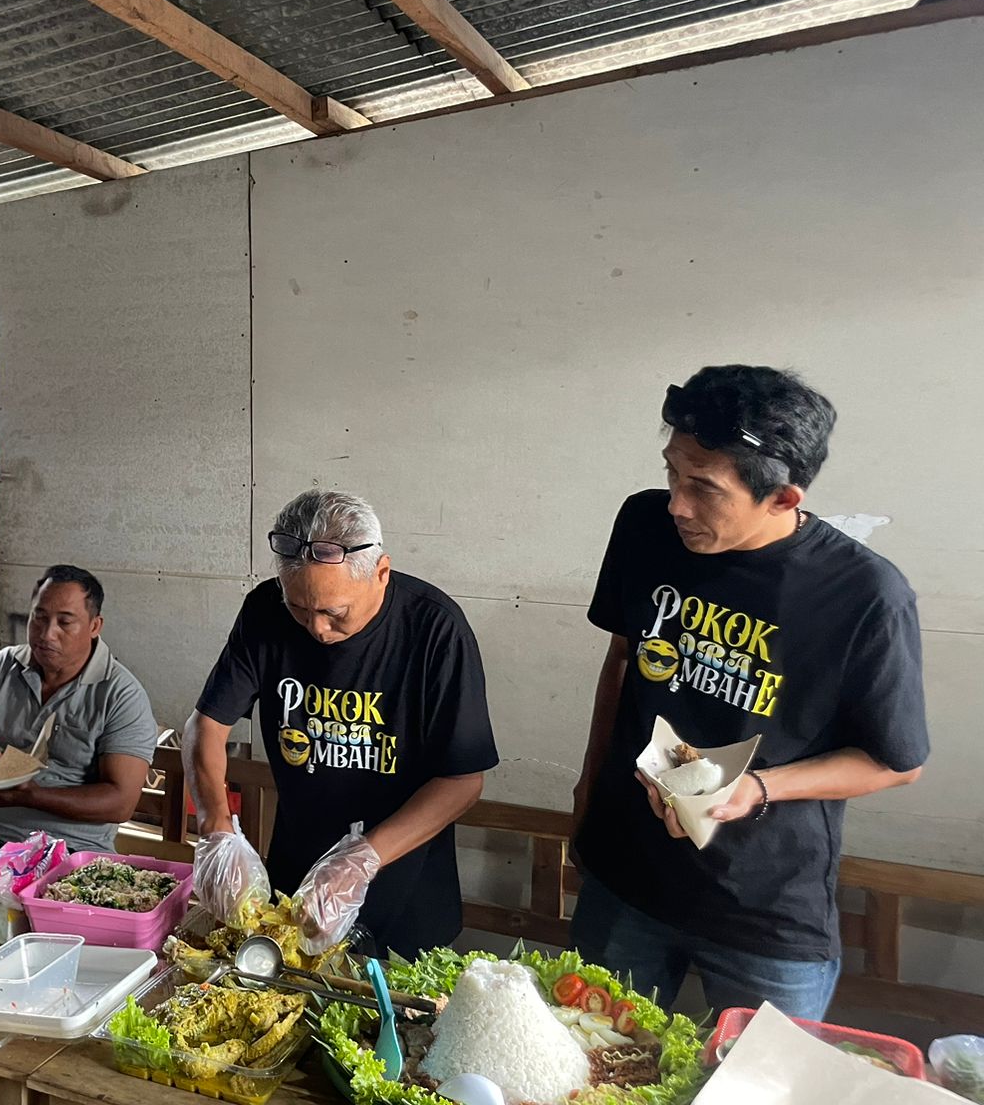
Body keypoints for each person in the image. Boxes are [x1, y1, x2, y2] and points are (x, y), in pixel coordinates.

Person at [571, 365, 928, 1021]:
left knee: (757, 1083)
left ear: (784, 499)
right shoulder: (645, 527)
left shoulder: (863, 595)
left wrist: (755, 789)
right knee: (586, 1066)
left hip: (765, 912)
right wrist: (591, 786)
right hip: (626, 879)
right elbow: (625, 655)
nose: (677, 502)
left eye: (703, 487)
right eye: (672, 473)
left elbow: (895, 762)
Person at [186, 490, 498, 958]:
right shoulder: (265, 612)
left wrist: (361, 860)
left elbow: (462, 781)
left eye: (335, 613)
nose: (317, 629)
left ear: (381, 573)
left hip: (406, 890)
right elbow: (206, 726)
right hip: (296, 883)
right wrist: (216, 826)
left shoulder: (435, 629)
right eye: (299, 609)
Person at [0, 566, 157, 851]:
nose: (47, 634)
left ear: (95, 626)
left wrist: (31, 796)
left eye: (65, 622)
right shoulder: (4, 666)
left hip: (72, 857)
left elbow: (120, 804)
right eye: (39, 618)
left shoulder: (121, 694)